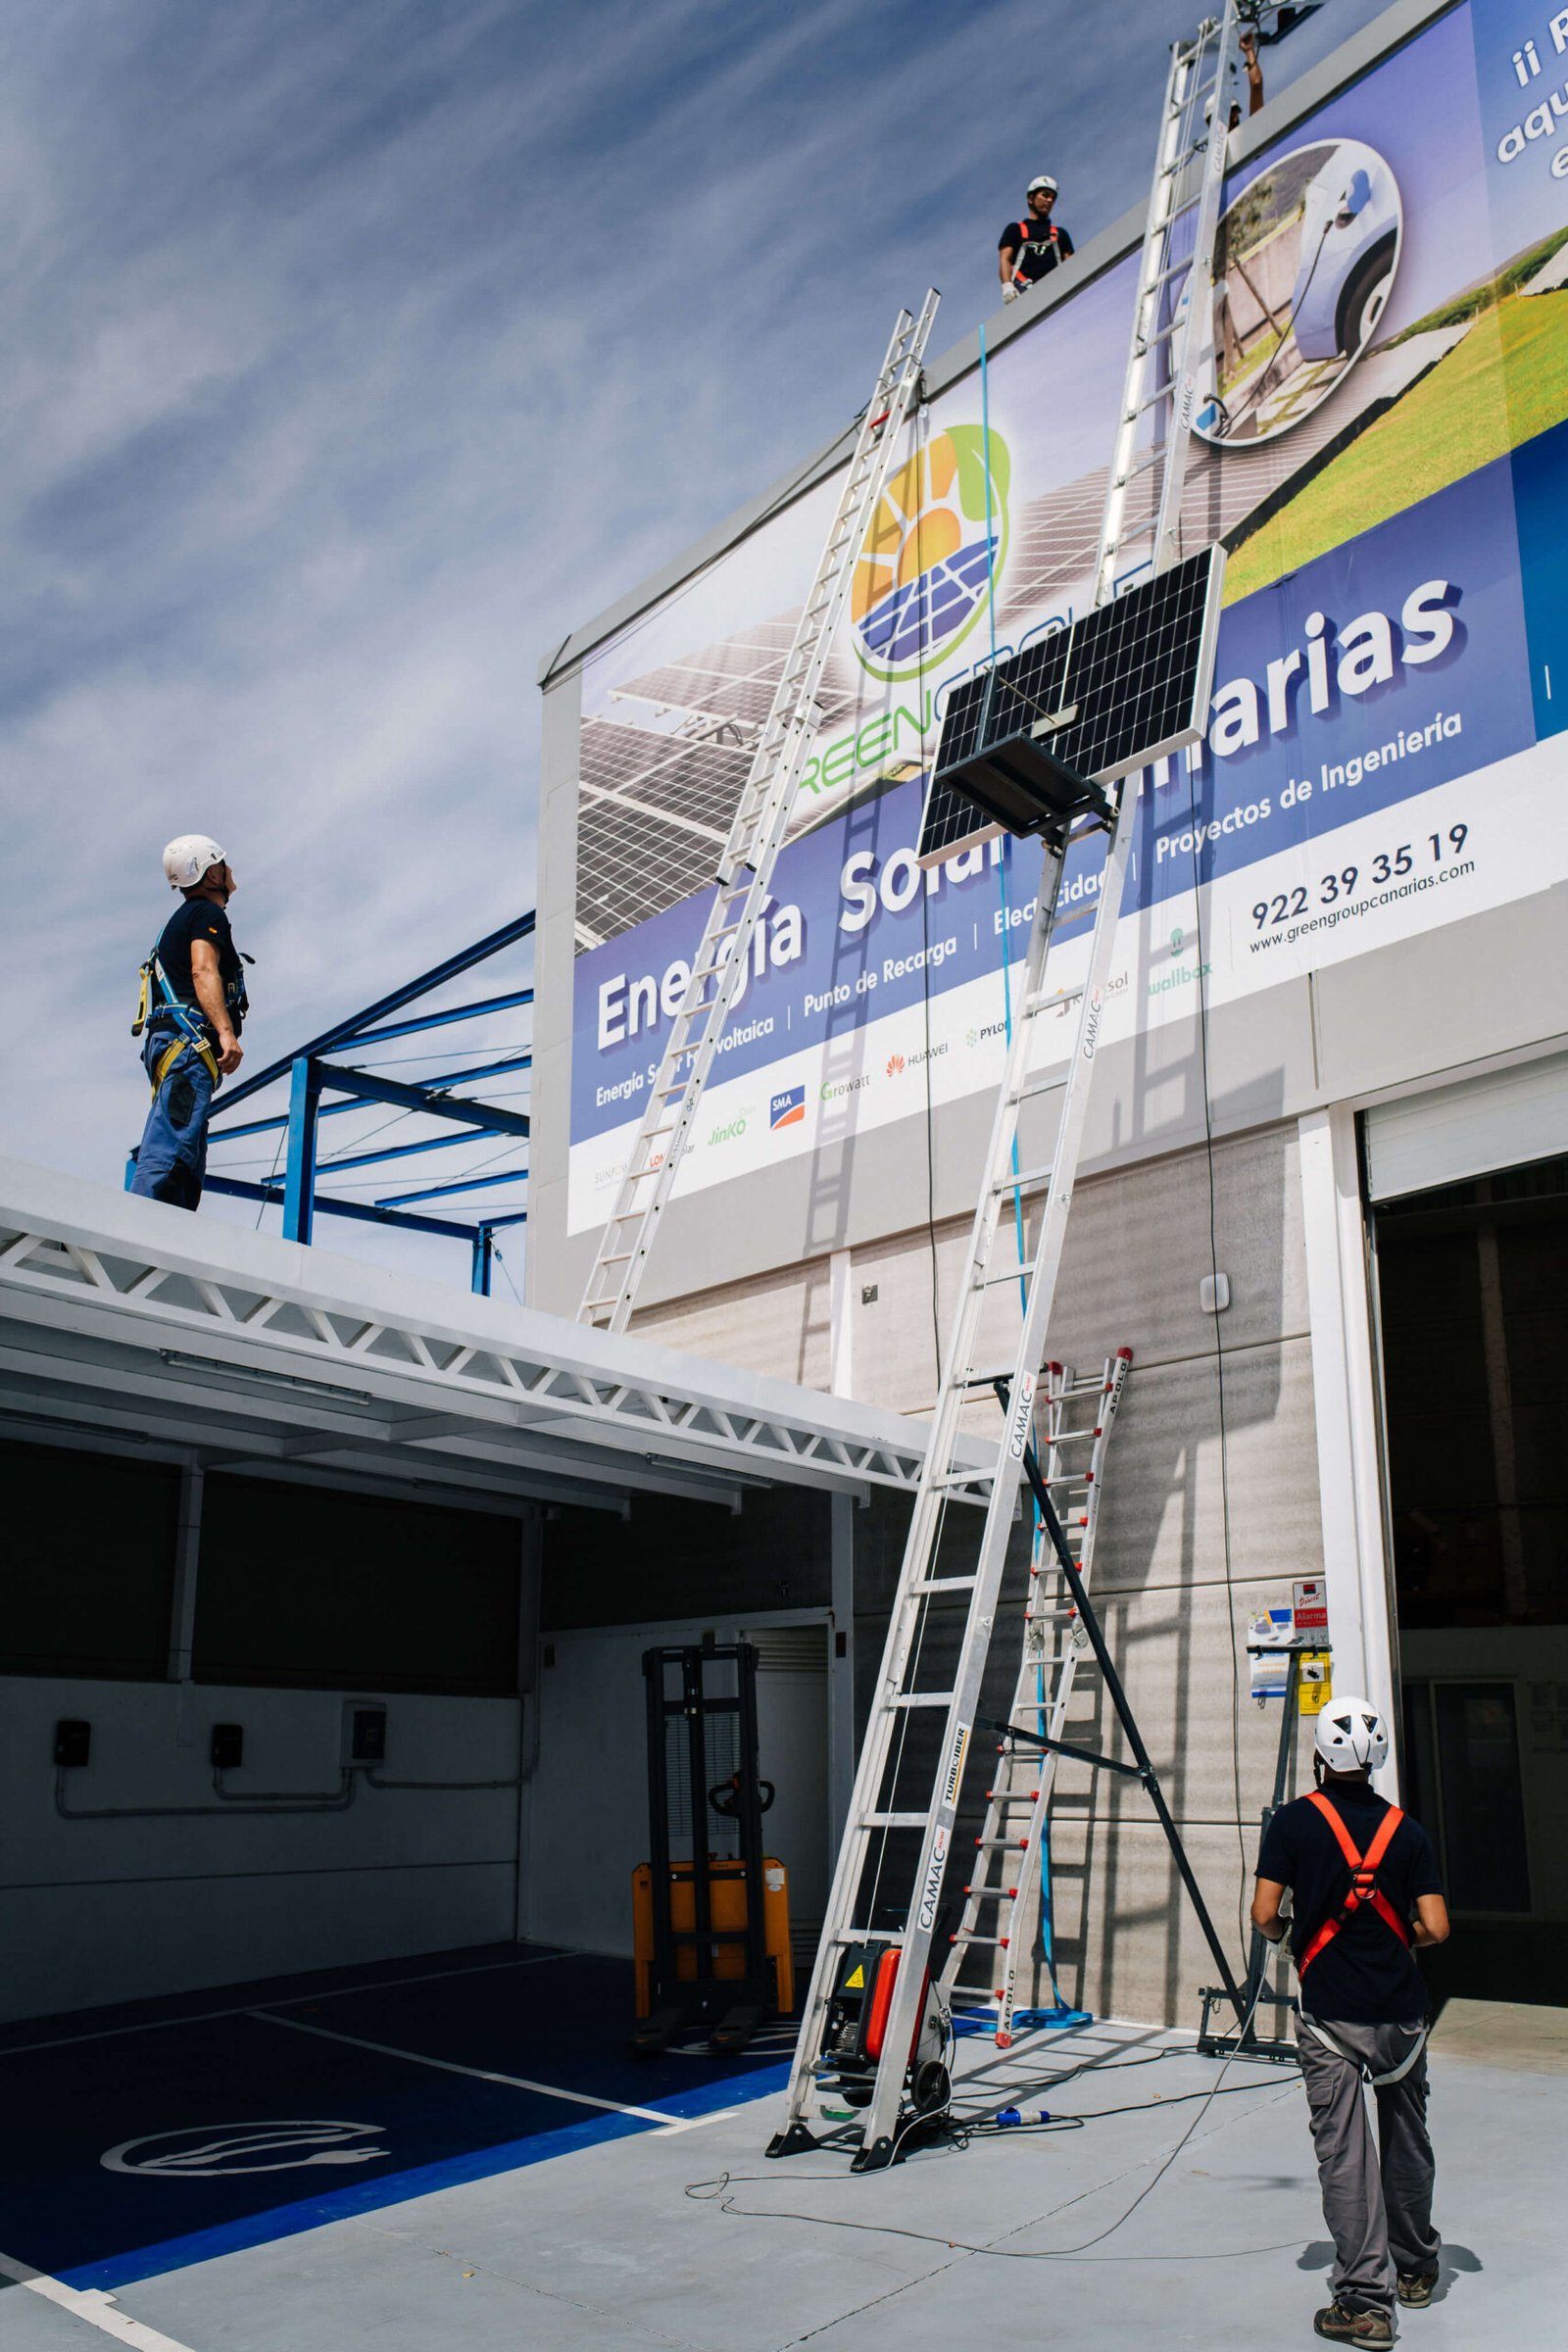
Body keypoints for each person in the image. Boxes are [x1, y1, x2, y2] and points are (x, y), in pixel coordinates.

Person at [1252, 1694, 1450, 2347]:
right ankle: (1417, 2268)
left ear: (1319, 1756)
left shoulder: (1292, 1824)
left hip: (1332, 2015)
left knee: (1345, 2153)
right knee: (1406, 2141)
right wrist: (1397, 1941)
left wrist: (1292, 1940)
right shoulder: (1408, 1832)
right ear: (1377, 1759)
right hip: (1402, 2014)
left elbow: (1263, 1913)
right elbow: (1435, 1927)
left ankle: (1366, 2301)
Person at [129, 835, 247, 1209]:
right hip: (188, 1048)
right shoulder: (207, 915)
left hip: (177, 1045)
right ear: (212, 873)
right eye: (224, 863)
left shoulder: (182, 920)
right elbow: (202, 969)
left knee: (187, 1158)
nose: (230, 869)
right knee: (171, 1151)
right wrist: (226, 1033)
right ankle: (140, 1231)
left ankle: (170, 1236)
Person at [999, 175, 1074, 304]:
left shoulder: (1060, 234)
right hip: (1025, 295)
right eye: (1045, 195)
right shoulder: (1015, 230)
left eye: (1053, 198)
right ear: (1031, 198)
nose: (1049, 200)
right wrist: (1007, 286)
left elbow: (1071, 265)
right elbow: (1005, 259)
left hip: (1058, 292)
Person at [1226, 27, 1265, 128]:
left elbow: (1256, 83)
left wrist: (1249, 51)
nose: (1235, 117)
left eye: (1235, 112)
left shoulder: (1250, 135)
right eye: (1231, 112)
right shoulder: (1214, 144)